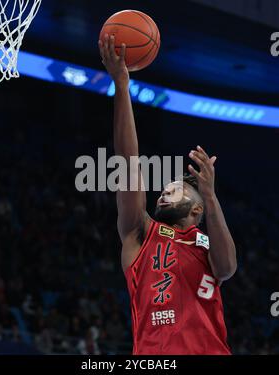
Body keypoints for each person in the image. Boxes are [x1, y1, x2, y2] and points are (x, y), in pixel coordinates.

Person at [98, 34, 237, 355]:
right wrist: (121, 85)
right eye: (165, 189)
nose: (163, 193)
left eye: (175, 191)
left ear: (196, 211)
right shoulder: (141, 231)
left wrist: (212, 197)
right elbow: (127, 160)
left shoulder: (207, 244)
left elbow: (227, 268)